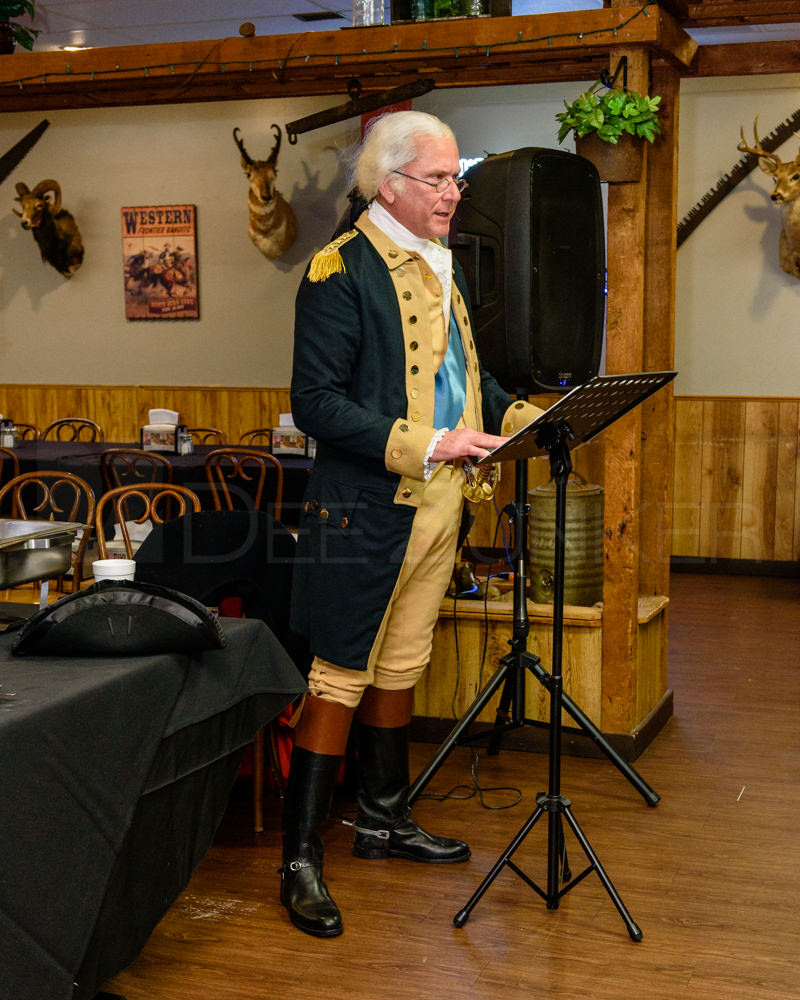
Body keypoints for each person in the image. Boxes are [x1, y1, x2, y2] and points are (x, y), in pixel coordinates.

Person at [283, 110, 542, 938]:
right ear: (388, 183)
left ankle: (384, 820)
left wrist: (532, 417)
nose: (453, 193)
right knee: (339, 673)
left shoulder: (440, 266)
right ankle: (299, 860)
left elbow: (466, 384)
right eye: (438, 179)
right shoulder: (339, 270)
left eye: (454, 178)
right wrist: (430, 443)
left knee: (400, 665)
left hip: (438, 505)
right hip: (363, 510)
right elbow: (315, 404)